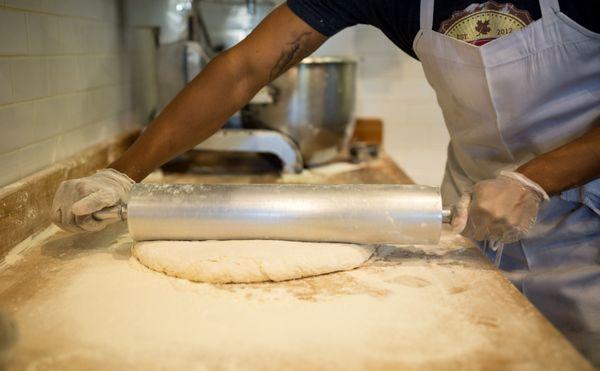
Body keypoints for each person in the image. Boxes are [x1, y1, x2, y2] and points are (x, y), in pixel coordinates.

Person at [51, 0, 599, 364]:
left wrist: (535, 180)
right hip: (473, 209)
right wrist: (122, 174)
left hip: (590, 219)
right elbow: (246, 66)